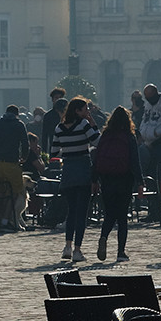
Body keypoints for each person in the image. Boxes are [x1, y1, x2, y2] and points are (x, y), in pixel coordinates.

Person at [54, 97, 100, 261]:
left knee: (71, 211)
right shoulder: (83, 125)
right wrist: (93, 122)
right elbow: (97, 141)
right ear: (77, 111)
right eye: (85, 109)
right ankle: (77, 250)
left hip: (68, 170)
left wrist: (67, 153)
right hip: (82, 169)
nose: (87, 112)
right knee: (82, 213)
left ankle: (67, 246)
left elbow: (53, 152)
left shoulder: (59, 127)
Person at [93, 105, 140, 261]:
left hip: (107, 179)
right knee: (122, 217)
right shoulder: (128, 136)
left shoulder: (105, 135)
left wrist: (94, 179)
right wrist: (140, 181)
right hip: (125, 179)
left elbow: (97, 157)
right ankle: (120, 252)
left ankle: (104, 236)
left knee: (109, 214)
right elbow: (135, 161)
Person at [0, 106, 30, 231]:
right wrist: (24, 157)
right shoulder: (19, 124)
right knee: (14, 193)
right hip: (12, 163)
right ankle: (5, 221)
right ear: (17, 114)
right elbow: (25, 143)